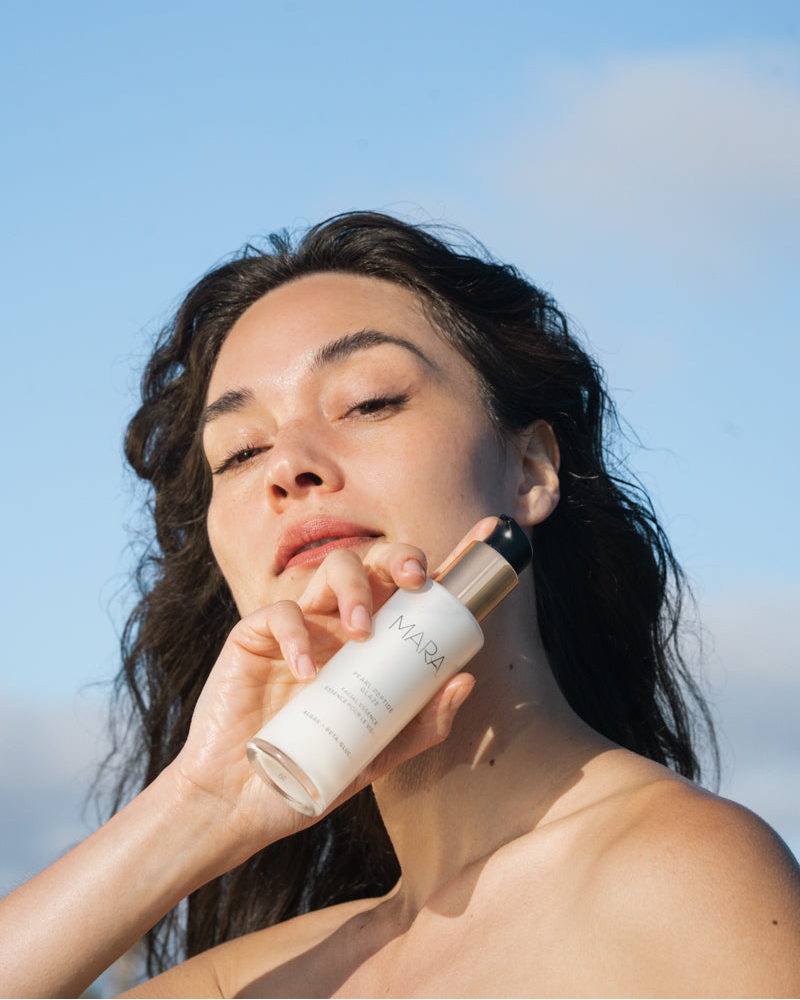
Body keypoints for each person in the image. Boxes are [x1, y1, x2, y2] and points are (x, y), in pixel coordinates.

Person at [2, 211, 798, 999]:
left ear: (530, 467)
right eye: (240, 452)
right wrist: (198, 809)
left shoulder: (675, 875)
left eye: (369, 401)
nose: (288, 466)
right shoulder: (247, 981)